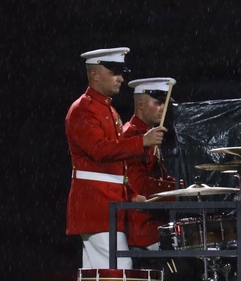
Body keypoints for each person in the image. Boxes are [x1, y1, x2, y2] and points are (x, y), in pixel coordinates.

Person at [66, 48, 166, 269]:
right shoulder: (83, 110)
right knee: (119, 271)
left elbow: (115, 165)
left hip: (105, 205)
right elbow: (100, 150)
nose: (121, 78)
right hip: (96, 205)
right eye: (114, 72)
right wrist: (142, 142)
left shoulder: (109, 111)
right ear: (95, 75)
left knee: (98, 278)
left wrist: (130, 195)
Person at [123, 77, 178, 252]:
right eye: (158, 103)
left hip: (156, 226)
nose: (163, 109)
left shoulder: (150, 134)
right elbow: (139, 186)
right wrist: (177, 189)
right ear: (140, 104)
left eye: (164, 104)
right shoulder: (131, 137)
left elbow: (158, 176)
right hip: (142, 230)